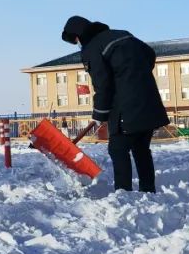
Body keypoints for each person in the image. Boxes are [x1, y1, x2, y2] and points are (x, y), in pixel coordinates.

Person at [62, 16, 168, 192]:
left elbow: (103, 84)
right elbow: (149, 54)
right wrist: (135, 74)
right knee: (141, 148)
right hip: (149, 99)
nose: (78, 44)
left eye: (75, 40)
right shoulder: (122, 34)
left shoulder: (93, 48)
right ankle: (148, 190)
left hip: (125, 105)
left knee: (118, 149)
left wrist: (99, 113)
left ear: (78, 35)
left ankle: (123, 192)